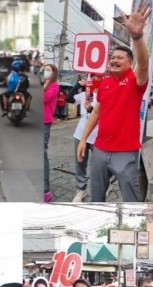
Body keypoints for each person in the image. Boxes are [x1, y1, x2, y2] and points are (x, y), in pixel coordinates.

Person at [76, 1, 152, 203]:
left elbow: (144, 65)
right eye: (112, 57)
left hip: (125, 154)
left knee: (131, 201)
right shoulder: (105, 83)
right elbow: (96, 113)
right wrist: (84, 139)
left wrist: (136, 37)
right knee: (96, 198)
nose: (114, 60)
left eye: (120, 57)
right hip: (100, 150)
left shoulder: (135, 81)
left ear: (129, 62)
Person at [67, 74, 102, 202]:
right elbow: (69, 99)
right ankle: (81, 189)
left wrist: (91, 108)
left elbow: (104, 116)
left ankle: (103, 186)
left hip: (98, 137)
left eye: (98, 77)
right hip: (80, 134)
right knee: (80, 163)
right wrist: (78, 85)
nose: (94, 79)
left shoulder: (106, 95)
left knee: (100, 166)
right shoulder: (84, 94)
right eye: (92, 77)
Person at [43, 64, 60, 203]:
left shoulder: (54, 86)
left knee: (42, 154)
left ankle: (45, 190)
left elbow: (44, 99)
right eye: (45, 69)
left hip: (45, 122)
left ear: (53, 73)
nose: (45, 71)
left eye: (48, 69)